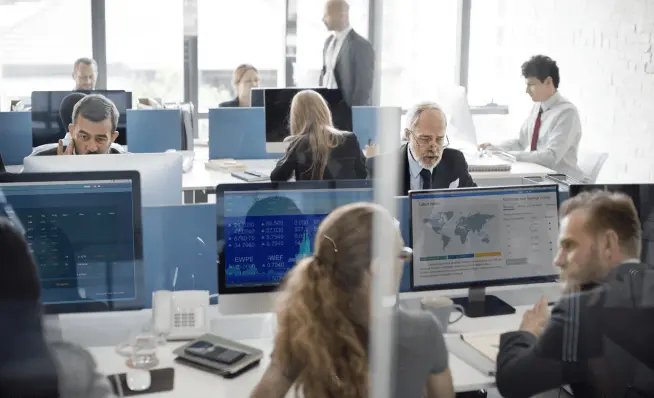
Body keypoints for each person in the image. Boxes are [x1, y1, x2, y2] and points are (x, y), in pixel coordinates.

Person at [250, 202, 455, 398]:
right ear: (379, 266)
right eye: (401, 254)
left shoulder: (306, 330)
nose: (403, 263)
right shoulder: (424, 331)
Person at [496, 190, 654, 398]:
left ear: (608, 243)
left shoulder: (580, 313)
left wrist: (527, 332)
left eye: (569, 245)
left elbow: (512, 382)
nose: (558, 260)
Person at [0, 217, 116, 397]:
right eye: (37, 258)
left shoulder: (94, 311)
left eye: (50, 256)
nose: (44, 266)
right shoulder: (75, 371)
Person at [478, 55, 583, 180]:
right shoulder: (537, 107)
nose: (527, 91)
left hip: (562, 184)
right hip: (541, 179)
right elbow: (520, 142)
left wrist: (508, 155)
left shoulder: (567, 113)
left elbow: (550, 157)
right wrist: (496, 148)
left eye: (531, 84)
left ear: (548, 82)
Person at [366, 102, 476, 196]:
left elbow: (476, 202)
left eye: (439, 139)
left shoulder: (455, 161)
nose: (433, 147)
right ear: (407, 135)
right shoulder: (379, 167)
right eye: (425, 139)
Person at [270, 89, 367, 181]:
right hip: (347, 198)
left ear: (297, 117)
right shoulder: (350, 138)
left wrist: (287, 153)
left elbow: (276, 178)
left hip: (310, 198)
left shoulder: (297, 143)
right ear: (324, 111)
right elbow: (363, 173)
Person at [30, 94, 127, 156]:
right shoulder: (40, 160)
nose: (92, 147)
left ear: (113, 137)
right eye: (84, 137)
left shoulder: (129, 164)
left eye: (100, 139)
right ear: (72, 131)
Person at [319, 0, 374, 106]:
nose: (323, 19)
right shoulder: (328, 42)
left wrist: (353, 117)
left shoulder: (361, 45)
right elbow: (325, 74)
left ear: (341, 15)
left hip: (347, 112)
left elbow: (363, 88)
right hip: (327, 109)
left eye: (327, 15)